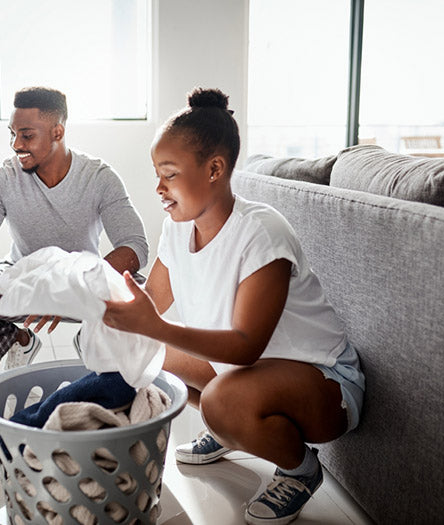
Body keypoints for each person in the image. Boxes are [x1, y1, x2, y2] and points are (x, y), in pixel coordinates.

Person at [102, 88, 365, 524]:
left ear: (214, 169)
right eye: (156, 173)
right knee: (139, 352)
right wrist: (88, 302)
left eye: (168, 174)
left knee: (220, 402)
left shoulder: (261, 233)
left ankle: (299, 470)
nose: (158, 187)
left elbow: (245, 346)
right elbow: (151, 301)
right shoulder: (176, 228)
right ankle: (234, 431)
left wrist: (155, 327)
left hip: (325, 383)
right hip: (248, 374)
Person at [0, 86, 148, 375]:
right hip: (23, 280)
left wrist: (72, 284)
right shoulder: (4, 180)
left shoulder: (99, 177)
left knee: (143, 292)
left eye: (26, 135)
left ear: (57, 132)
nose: (16, 144)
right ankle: (18, 341)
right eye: (12, 134)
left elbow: (134, 246)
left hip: (82, 283)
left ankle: (92, 338)